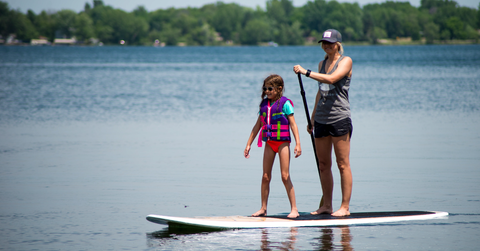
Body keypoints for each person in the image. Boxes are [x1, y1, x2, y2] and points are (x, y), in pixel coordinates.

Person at [293, 29, 353, 217]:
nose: (326, 46)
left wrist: (306, 72)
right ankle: (327, 205)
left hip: (339, 118)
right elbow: (321, 92)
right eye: (324, 43)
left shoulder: (346, 61)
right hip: (321, 120)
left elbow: (332, 79)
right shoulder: (322, 63)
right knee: (323, 165)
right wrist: (312, 118)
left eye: (330, 43)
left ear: (337, 44)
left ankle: (344, 207)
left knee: (342, 164)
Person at [244, 74, 302, 218]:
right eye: (265, 88)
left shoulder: (285, 103)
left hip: (282, 143)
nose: (267, 91)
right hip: (269, 143)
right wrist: (248, 144)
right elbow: (257, 125)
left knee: (284, 175)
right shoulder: (264, 104)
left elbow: (293, 124)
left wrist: (298, 144)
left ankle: (294, 209)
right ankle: (263, 208)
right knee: (265, 176)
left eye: (270, 88)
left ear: (279, 89)